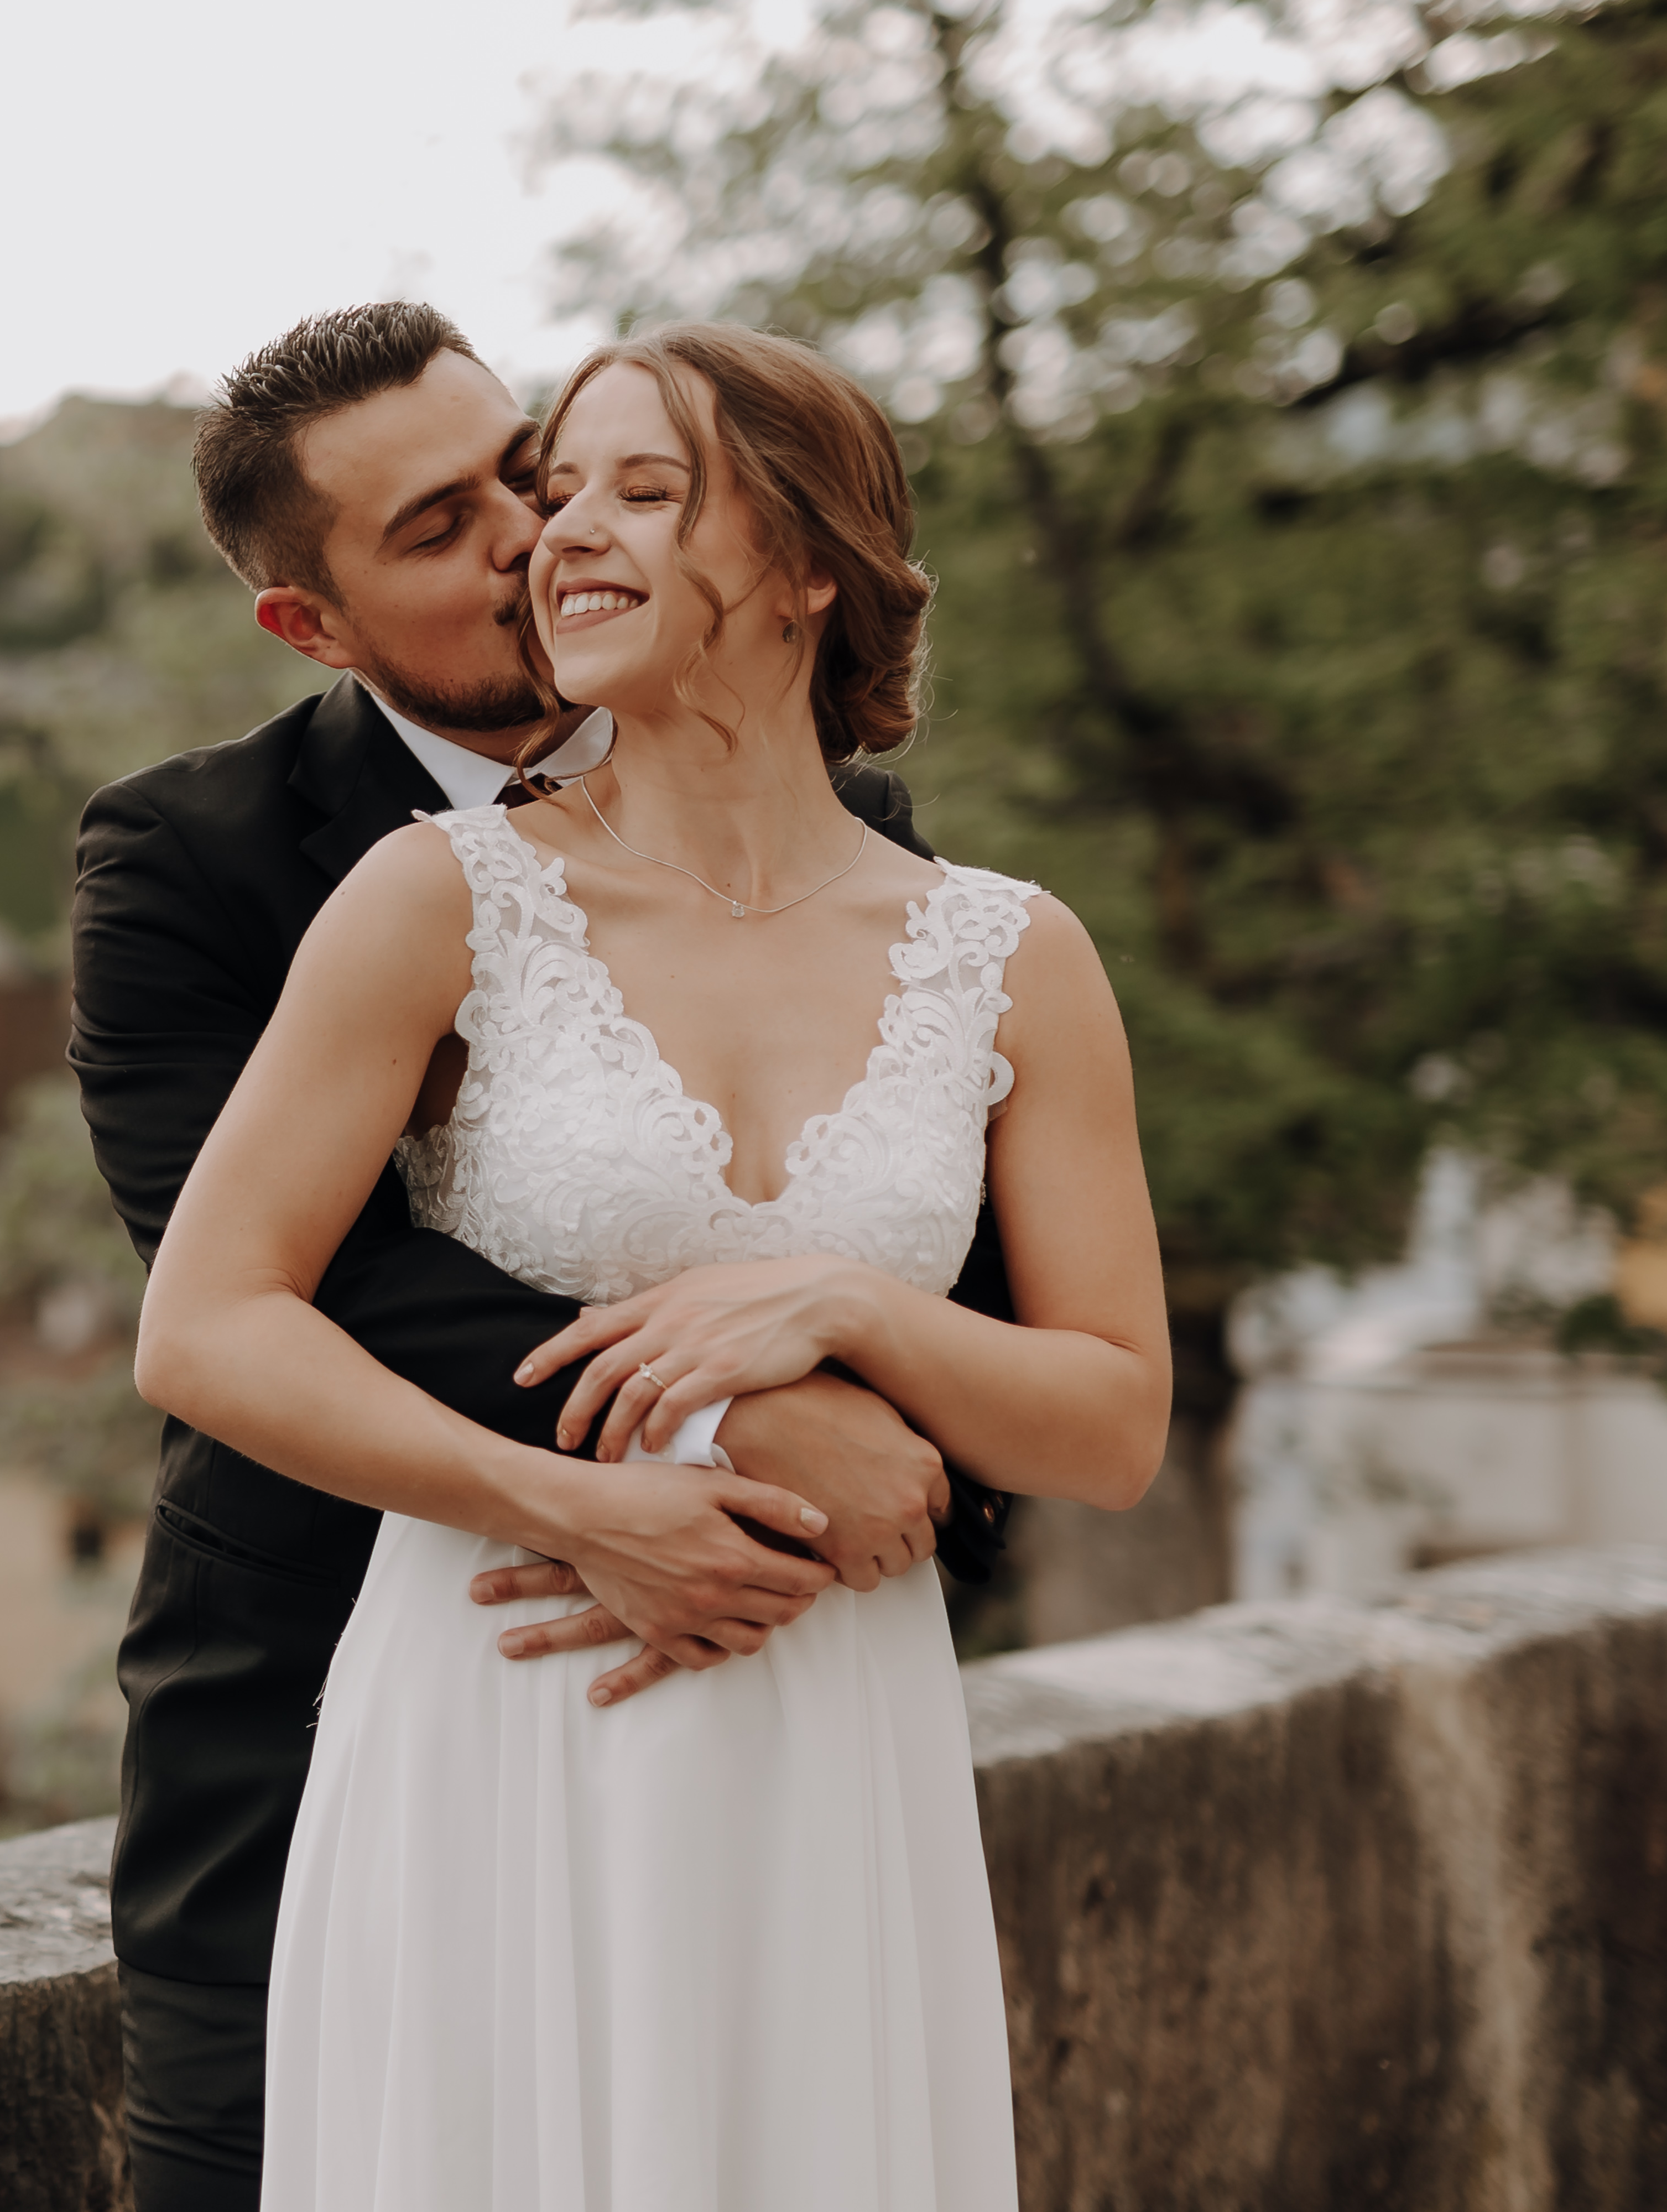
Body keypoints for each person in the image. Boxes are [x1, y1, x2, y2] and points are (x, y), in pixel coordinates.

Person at [129, 321, 1171, 2208]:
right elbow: (207, 1324)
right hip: (508, 1695)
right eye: (555, 490)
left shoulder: (1011, 950)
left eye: (635, 485)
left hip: (836, 1722)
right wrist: (592, 1502)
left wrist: (854, 1310)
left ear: (803, 568)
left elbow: (1109, 1428)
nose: (553, 534)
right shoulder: (438, 898)